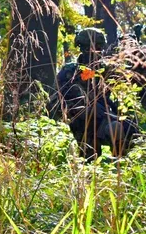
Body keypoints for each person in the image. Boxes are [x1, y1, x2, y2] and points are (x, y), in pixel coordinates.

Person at [50, 29, 138, 160]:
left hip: (102, 118)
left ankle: (119, 166)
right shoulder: (70, 70)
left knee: (126, 129)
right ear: (82, 47)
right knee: (89, 157)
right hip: (80, 122)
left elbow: (122, 94)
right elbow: (55, 99)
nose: (97, 51)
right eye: (93, 47)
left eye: (99, 47)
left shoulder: (106, 70)